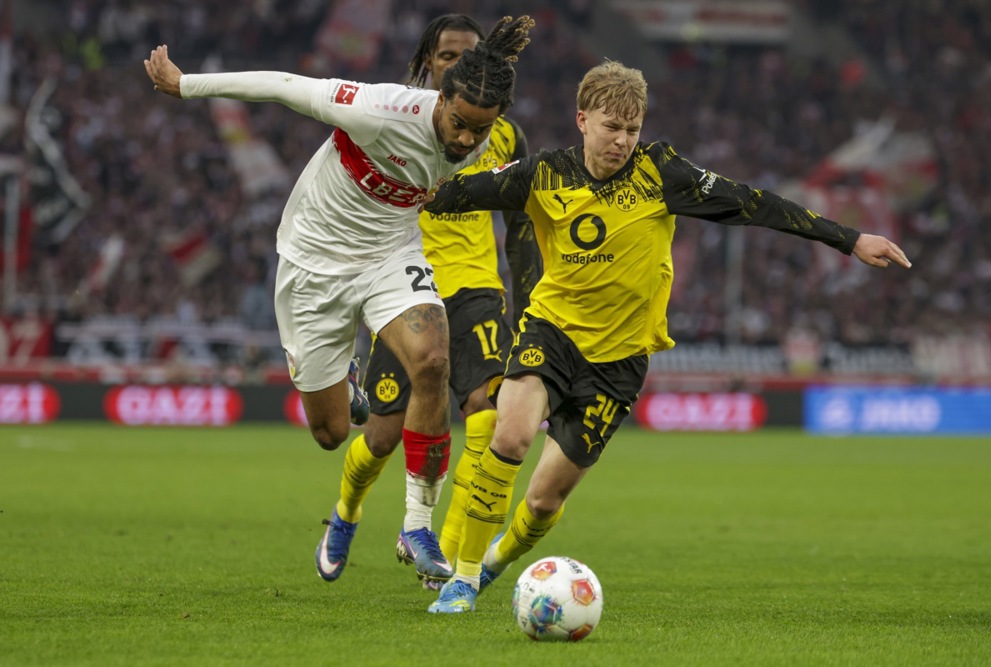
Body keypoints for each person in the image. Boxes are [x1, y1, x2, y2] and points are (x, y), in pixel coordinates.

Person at [424, 60, 912, 613]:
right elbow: (453, 193)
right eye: (611, 127)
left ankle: (494, 560)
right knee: (510, 436)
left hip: (619, 362)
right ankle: (463, 580)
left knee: (541, 501)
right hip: (551, 331)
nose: (622, 141)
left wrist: (849, 239)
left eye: (632, 130)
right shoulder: (543, 174)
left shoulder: (661, 172)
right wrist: (393, 183)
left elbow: (754, 204)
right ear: (582, 120)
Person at [142, 16, 535, 584]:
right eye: (460, 124)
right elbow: (284, 86)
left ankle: (417, 525)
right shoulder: (379, 110)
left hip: (390, 255)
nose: (467, 141)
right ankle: (345, 387)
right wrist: (185, 85)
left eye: (481, 130)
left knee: (432, 360)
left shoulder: (482, 140)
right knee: (330, 434)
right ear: (439, 97)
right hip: (314, 262)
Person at [315, 14, 542, 589]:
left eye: (470, 55)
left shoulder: (504, 136)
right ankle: (346, 511)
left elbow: (521, 228)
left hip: (477, 289)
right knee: (382, 436)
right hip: (407, 287)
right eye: (447, 56)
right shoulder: (395, 119)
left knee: (487, 417)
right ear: (427, 63)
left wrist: (529, 312)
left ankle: (444, 552)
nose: (459, 65)